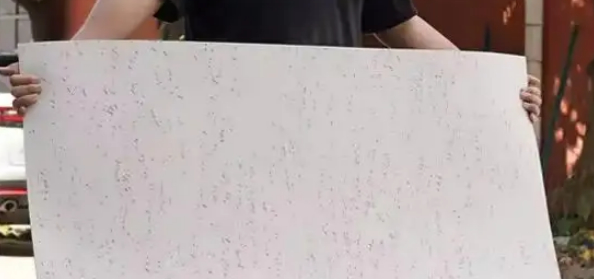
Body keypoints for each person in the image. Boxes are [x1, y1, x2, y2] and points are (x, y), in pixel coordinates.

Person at [0, 0, 542, 120]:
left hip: (330, 154)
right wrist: (49, 75)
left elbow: (407, 32)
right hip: (229, 154)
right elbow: (98, 35)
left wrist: (495, 91)